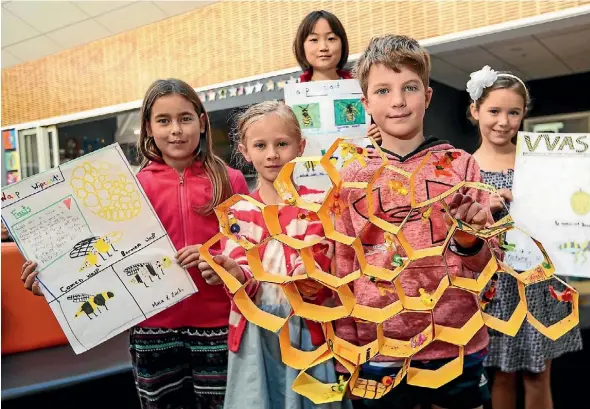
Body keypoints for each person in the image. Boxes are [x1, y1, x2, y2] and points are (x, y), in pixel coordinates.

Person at [21, 78, 250, 408]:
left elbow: (248, 247)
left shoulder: (231, 180)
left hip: (218, 324)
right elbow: (99, 252)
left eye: (185, 118)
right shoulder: (128, 186)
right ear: (148, 127)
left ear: (201, 123)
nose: (176, 130)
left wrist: (220, 261)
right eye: (163, 120)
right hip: (151, 328)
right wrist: (56, 281)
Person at [333, 34, 496, 409]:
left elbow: (490, 260)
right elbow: (342, 262)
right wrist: (347, 343)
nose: (398, 101)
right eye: (383, 91)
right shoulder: (352, 175)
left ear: (428, 95)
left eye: (409, 87)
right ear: (365, 103)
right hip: (379, 346)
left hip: (457, 338)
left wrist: (471, 241)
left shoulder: (462, 165)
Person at [467, 65, 590, 409]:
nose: (503, 121)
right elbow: (453, 233)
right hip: (492, 286)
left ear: (523, 115)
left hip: (541, 283)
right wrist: (484, 207)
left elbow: (579, 196)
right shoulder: (463, 167)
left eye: (513, 112)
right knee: (500, 373)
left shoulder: (542, 160)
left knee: (539, 373)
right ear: (475, 111)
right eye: (494, 111)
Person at [197, 101, 351, 409]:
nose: (271, 154)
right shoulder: (238, 212)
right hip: (255, 336)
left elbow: (317, 270)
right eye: (260, 145)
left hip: (306, 331)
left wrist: (306, 274)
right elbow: (242, 279)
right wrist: (230, 271)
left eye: (281, 144)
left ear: (299, 146)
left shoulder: (317, 206)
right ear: (244, 150)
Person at [293, 9, 381, 144]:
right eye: (314, 39)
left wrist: (379, 133)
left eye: (331, 38)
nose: (323, 47)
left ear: (342, 43)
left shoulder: (363, 88)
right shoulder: (293, 100)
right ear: (301, 46)